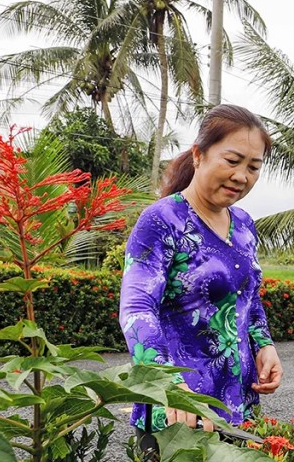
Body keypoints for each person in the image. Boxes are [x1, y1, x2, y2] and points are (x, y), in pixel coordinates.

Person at [119, 104, 283, 444]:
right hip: (179, 410)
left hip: (240, 407)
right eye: (232, 161)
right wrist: (168, 383)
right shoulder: (163, 220)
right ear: (198, 155)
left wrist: (264, 345)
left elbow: (248, 299)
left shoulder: (244, 226)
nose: (242, 176)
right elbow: (136, 310)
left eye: (254, 167)